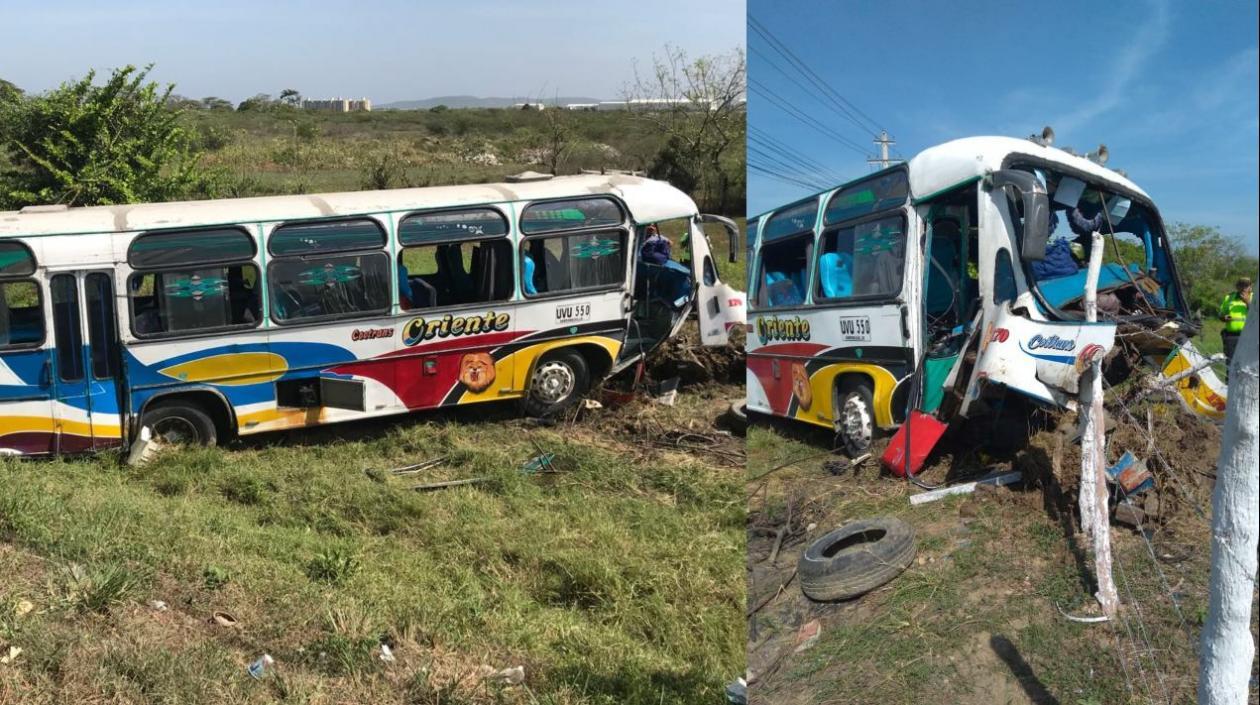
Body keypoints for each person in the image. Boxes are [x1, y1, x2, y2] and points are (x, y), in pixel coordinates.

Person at [1219, 277, 1252, 367]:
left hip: (1249, 337)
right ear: (1237, 286)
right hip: (1231, 336)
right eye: (1241, 285)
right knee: (1230, 363)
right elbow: (1221, 314)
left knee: (1247, 364)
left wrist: (1248, 302)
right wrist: (1224, 317)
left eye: (1246, 285)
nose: (1243, 288)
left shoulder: (1255, 298)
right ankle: (1228, 381)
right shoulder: (1229, 297)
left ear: (1250, 287)